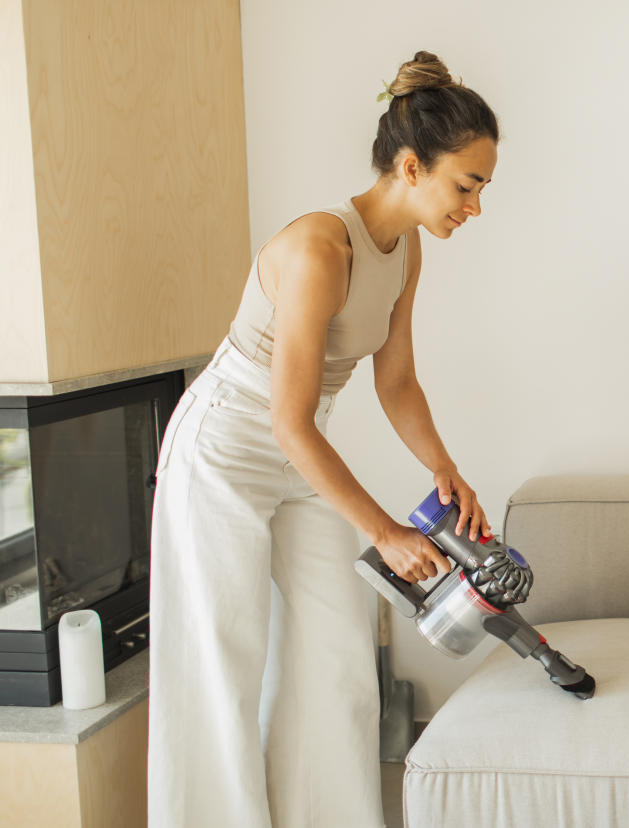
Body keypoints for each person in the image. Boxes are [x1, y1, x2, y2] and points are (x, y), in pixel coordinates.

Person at [147, 52, 499, 826]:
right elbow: (287, 420)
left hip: (298, 448)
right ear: (411, 165)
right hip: (227, 446)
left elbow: (395, 380)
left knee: (337, 651)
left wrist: (446, 470)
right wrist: (383, 531)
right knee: (223, 663)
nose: (474, 207)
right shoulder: (319, 249)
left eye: (482, 189)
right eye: (466, 186)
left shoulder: (403, 252)